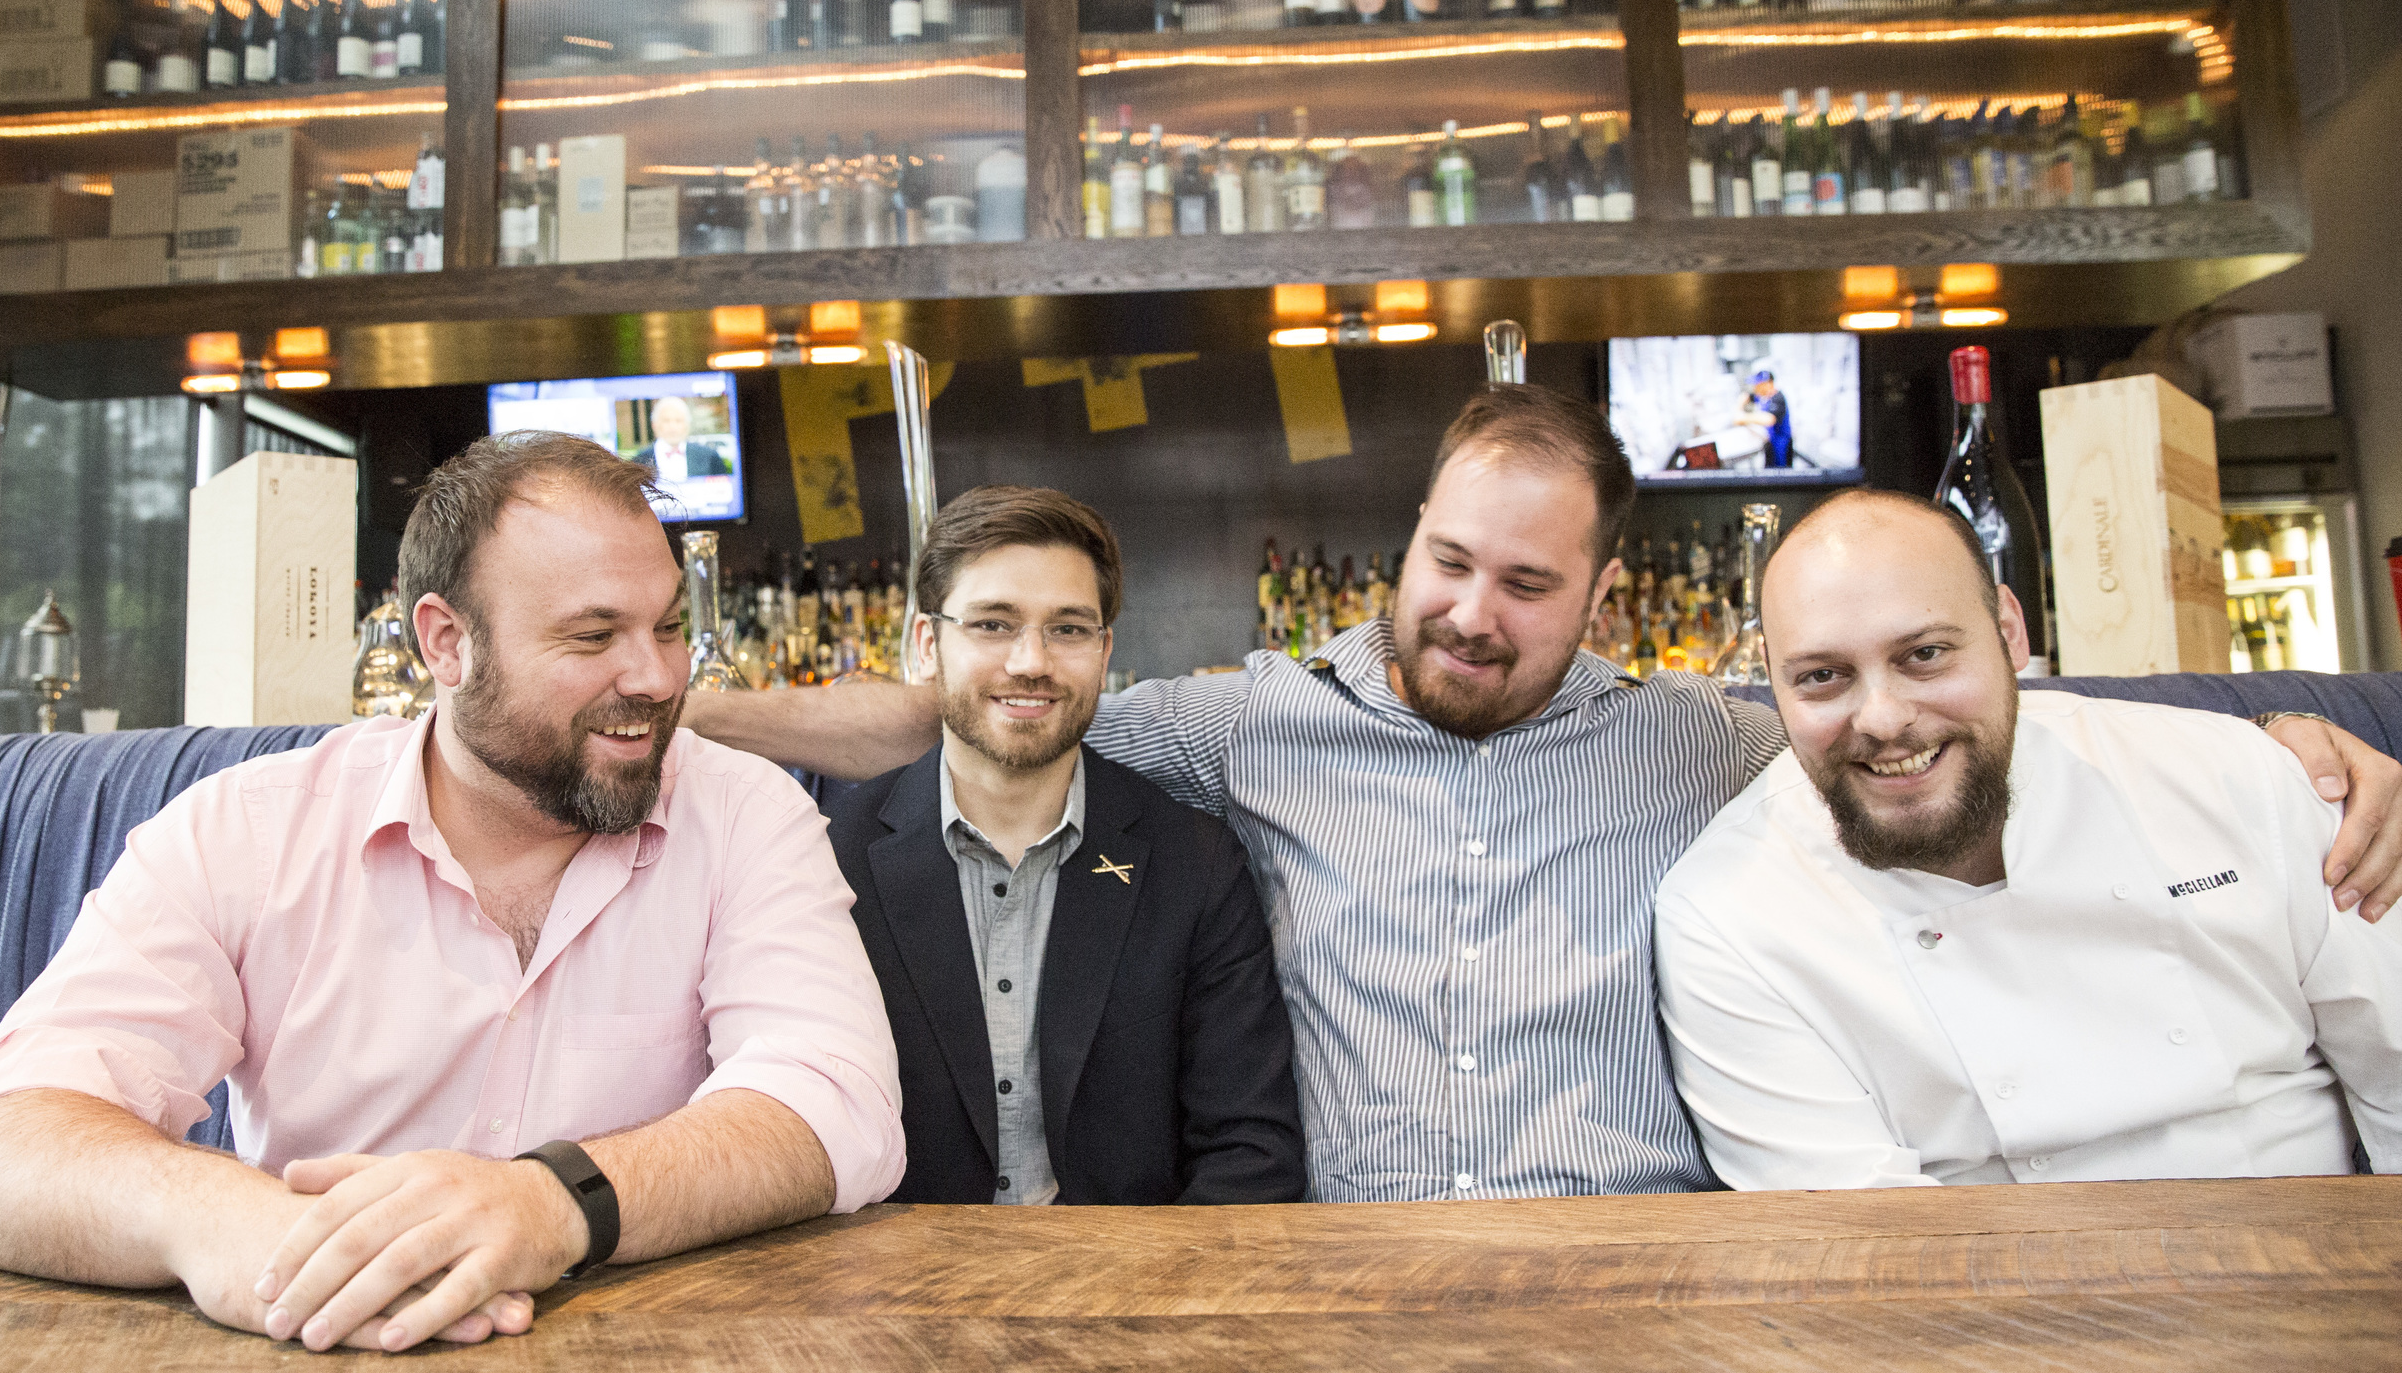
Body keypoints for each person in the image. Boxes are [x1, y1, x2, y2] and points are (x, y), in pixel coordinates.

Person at [685, 385, 2402, 1203]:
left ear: (1598, 595)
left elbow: (1921, 704)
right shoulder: (1243, 723)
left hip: (1646, 1278)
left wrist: (2278, 745)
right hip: (1347, 1294)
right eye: (1447, 559)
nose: (1469, 610)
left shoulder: (1699, 735)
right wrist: (694, 706)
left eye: (1525, 582)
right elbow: (975, 700)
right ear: (1409, 537)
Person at [0, 432, 903, 1353]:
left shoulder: (744, 814)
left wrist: (557, 1202)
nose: (654, 675)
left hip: (666, 1358)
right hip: (327, 1357)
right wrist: (221, 1219)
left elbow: (836, 1097)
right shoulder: (248, 831)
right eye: (594, 634)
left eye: (669, 626)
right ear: (444, 643)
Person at [1655, 489, 2402, 1189]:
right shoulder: (1729, 911)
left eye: (1925, 654)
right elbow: (1865, 1238)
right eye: (1822, 675)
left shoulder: (2245, 778)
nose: (1882, 718)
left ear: (2010, 633)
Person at [826, 485, 1304, 1205]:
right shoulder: (834, 858)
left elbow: (1251, 1152)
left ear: (1104, 650)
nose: (1031, 661)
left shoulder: (1194, 861)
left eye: (1069, 629)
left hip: (1136, 1296)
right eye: (993, 623)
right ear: (927, 645)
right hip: (902, 1300)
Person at [631, 396, 731, 482]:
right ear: (654, 425)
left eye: (678, 421)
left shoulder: (710, 457)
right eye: (666, 421)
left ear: (687, 426)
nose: (672, 427)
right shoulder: (637, 463)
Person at [1733, 367, 1792, 468]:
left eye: (1758, 385)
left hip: (1780, 446)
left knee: (1780, 477)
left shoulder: (1777, 398)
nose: (1755, 388)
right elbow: (1745, 396)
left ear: (1768, 384)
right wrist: (1737, 410)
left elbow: (1769, 419)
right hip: (1770, 445)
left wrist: (1744, 418)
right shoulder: (1762, 397)